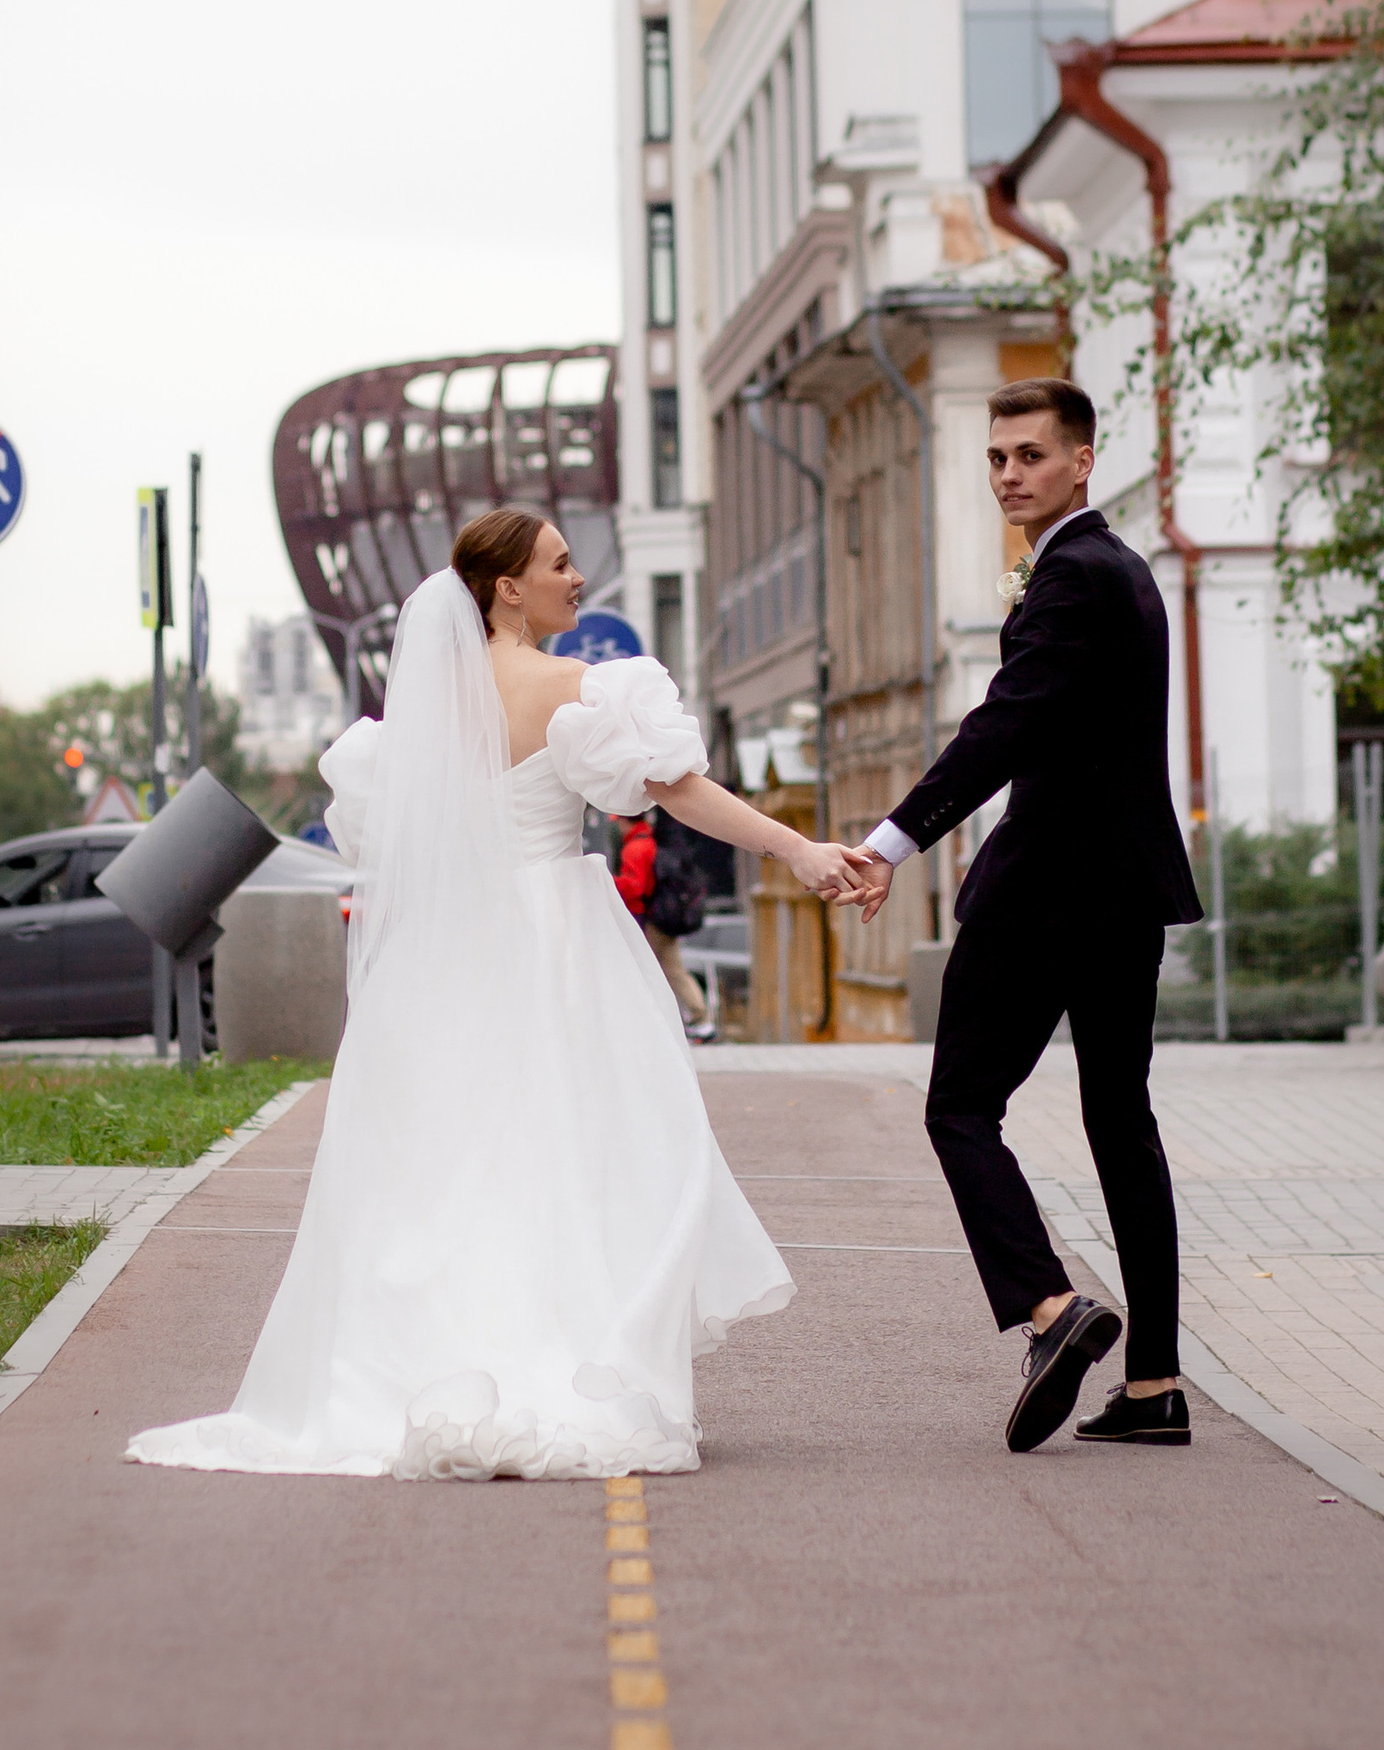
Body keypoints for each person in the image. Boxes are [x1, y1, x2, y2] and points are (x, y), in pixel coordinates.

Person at [129, 511, 859, 1481]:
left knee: (461, 1165)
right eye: (559, 565)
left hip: (451, 950)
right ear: (506, 588)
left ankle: (440, 1362)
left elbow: (388, 839)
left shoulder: (425, 718)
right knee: (581, 1148)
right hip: (555, 934)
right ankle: (566, 1355)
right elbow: (678, 791)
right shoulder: (576, 691)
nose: (576, 580)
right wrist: (798, 848)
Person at [839, 378, 1202, 1452]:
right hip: (1127, 889)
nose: (1009, 474)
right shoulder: (1125, 574)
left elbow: (1006, 728)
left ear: (1081, 462)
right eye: (997, 457)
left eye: (1030, 456)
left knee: (958, 1108)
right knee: (1119, 1122)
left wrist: (894, 837)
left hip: (1047, 887)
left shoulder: (1071, 580)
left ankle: (1051, 1310)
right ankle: (1154, 1387)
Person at [615, 808, 715, 1039]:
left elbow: (635, 886)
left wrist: (608, 881)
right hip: (663, 916)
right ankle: (699, 1019)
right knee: (672, 970)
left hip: (649, 919)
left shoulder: (635, 848)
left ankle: (693, 1019)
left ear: (624, 820)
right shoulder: (651, 841)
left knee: (648, 970)